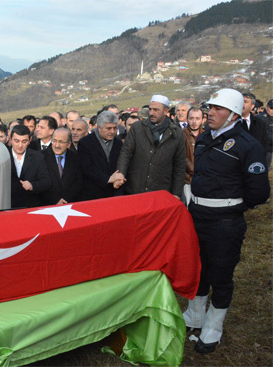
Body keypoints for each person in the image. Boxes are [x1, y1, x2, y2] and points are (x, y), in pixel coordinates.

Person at [184, 88, 269, 354]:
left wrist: (230, 207)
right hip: (198, 216)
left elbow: (259, 192)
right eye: (210, 107)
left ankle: (213, 327)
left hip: (225, 222)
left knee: (221, 274)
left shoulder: (248, 145)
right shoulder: (204, 138)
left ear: (233, 115)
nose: (210, 112)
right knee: (199, 268)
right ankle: (195, 315)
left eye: (218, 109)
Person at [115, 95, 186, 198]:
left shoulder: (176, 133)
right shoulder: (137, 128)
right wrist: (120, 173)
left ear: (166, 111)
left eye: (156, 110)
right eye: (150, 109)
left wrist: (176, 193)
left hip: (161, 191)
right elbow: (126, 153)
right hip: (136, 189)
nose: (151, 113)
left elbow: (180, 165)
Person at [78, 111, 124, 200]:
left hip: (114, 192)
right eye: (109, 128)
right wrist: (108, 179)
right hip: (92, 194)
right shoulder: (85, 143)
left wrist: (118, 180)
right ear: (99, 128)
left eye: (115, 128)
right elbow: (87, 168)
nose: (112, 131)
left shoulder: (118, 143)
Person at [9, 125, 51, 209]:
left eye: (24, 141)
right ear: (10, 139)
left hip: (31, 206)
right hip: (8, 206)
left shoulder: (38, 157)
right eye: (16, 141)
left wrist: (32, 186)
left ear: (30, 140)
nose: (20, 145)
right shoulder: (3, 156)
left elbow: (46, 181)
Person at [42, 128, 82, 205]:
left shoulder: (75, 158)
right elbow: (40, 182)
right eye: (54, 141)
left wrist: (65, 200)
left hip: (69, 204)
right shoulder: (41, 157)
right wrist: (55, 200)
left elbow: (78, 183)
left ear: (68, 144)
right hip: (47, 205)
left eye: (61, 142)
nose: (57, 145)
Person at [182, 107, 205, 205]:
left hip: (203, 179)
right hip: (187, 180)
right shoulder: (181, 135)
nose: (194, 121)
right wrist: (195, 171)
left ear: (203, 120)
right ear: (187, 119)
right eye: (191, 118)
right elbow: (182, 157)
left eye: (197, 118)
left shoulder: (206, 135)